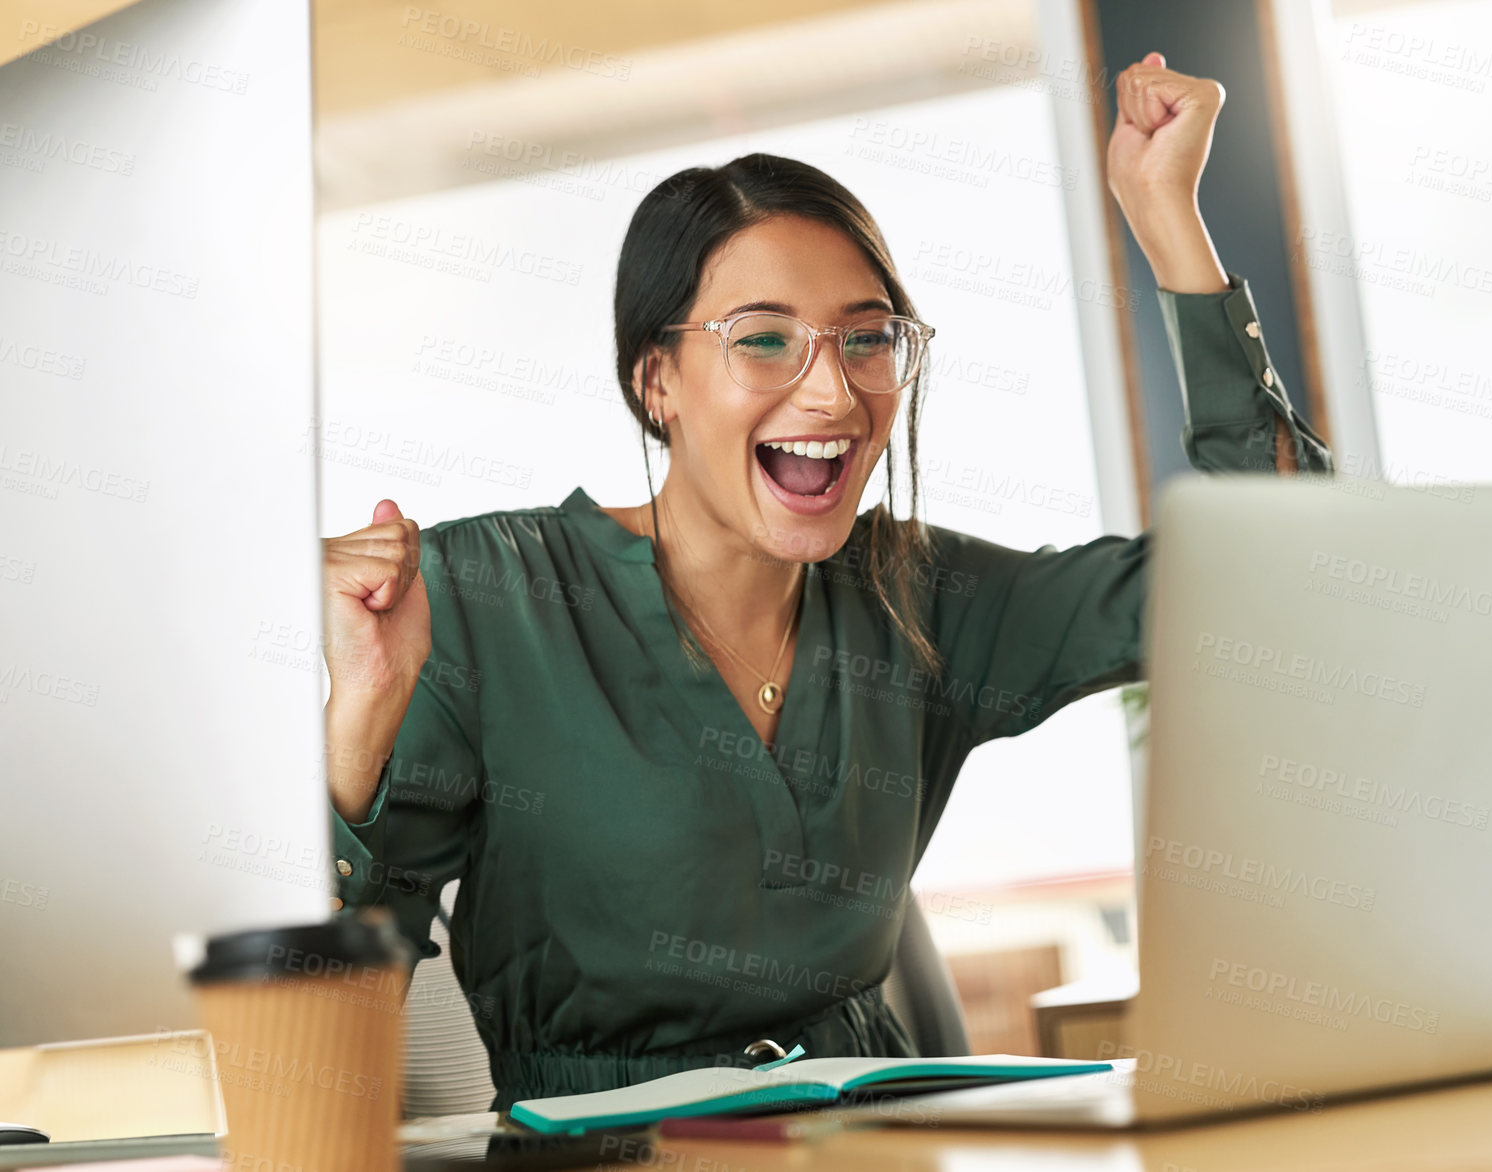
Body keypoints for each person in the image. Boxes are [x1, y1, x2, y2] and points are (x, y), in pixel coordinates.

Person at [318, 53, 1333, 1112]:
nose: (832, 387)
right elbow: (327, 1004)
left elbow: (1286, 570)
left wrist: (1166, 212)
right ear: (654, 380)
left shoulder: (918, 595)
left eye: (866, 338)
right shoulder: (481, 599)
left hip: (880, 1138)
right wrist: (358, 735)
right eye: (762, 339)